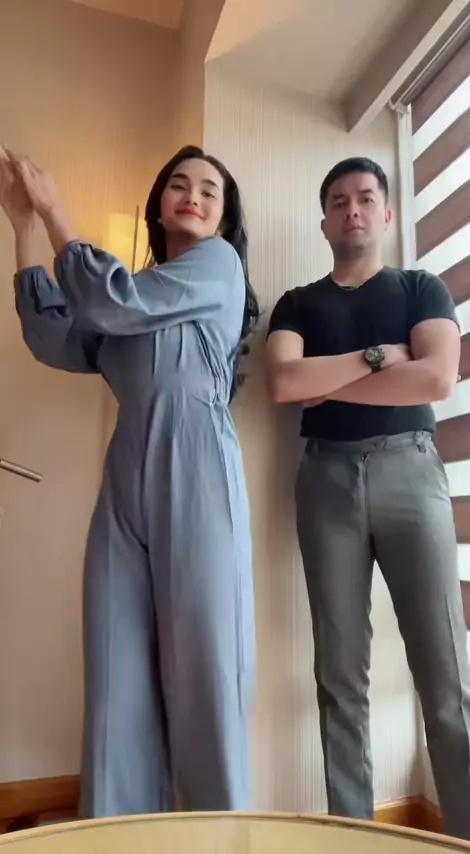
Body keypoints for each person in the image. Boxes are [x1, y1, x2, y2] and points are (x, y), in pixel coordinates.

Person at [0, 144, 259, 818]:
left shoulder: (218, 266)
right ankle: (117, 834)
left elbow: (112, 302)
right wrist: (23, 224)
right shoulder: (135, 293)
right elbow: (56, 338)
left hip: (198, 469)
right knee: (115, 680)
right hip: (125, 478)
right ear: (159, 205)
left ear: (224, 217)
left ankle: (218, 836)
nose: (192, 195)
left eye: (208, 189)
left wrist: (55, 210)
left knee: (206, 675)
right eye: (179, 184)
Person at [266, 156, 470, 842]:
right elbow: (283, 383)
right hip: (324, 479)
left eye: (364, 198)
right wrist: (383, 357)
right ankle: (354, 840)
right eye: (338, 201)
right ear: (324, 221)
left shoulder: (421, 287)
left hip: (411, 472)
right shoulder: (297, 303)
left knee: (445, 673)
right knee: (338, 676)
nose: (352, 209)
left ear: (386, 214)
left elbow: (438, 377)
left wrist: (327, 382)